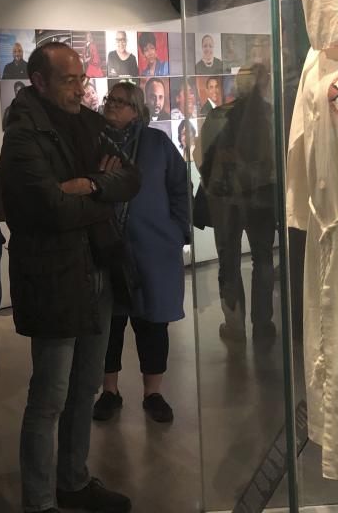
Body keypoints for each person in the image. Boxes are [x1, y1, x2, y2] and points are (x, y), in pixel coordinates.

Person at [0, 42, 140, 513]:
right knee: (49, 398)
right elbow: (52, 210)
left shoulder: (89, 125)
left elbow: (131, 179)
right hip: (54, 276)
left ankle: (73, 481)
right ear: (39, 82)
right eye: (68, 79)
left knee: (85, 389)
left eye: (81, 78)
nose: (80, 87)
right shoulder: (22, 137)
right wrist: (99, 191)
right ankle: (39, 502)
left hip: (97, 270)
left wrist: (89, 184)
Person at [93, 82, 189, 424]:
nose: (113, 106)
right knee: (110, 324)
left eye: (121, 102)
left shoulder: (156, 143)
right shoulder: (92, 143)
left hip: (152, 249)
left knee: (152, 324)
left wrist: (176, 232)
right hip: (105, 249)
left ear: (137, 110)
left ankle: (154, 393)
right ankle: (109, 391)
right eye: (110, 100)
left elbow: (180, 186)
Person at [198, 64, 277, 340]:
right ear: (265, 83)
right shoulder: (270, 116)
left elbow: (202, 156)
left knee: (229, 260)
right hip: (262, 197)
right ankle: (263, 324)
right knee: (263, 259)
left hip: (226, 199)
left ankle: (234, 325)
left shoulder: (220, 115)